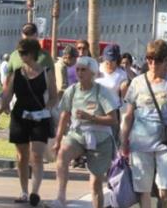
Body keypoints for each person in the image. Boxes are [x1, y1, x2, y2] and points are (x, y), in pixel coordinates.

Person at [120, 40, 167, 208]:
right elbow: (128, 115)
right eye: (149, 58)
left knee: (166, 189)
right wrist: (123, 141)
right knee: (143, 190)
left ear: (166, 60)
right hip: (140, 143)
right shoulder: (137, 83)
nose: (152, 63)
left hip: (166, 143)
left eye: (158, 60)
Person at [0, 38, 57, 206]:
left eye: (23, 53)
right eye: (19, 52)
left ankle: (35, 192)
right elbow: (6, 96)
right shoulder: (16, 74)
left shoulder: (46, 72)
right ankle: (24, 191)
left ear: (32, 53)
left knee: (37, 155)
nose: (20, 55)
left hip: (39, 117)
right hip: (20, 115)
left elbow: (54, 97)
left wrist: (46, 110)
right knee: (22, 156)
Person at [49, 56, 120, 208]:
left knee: (95, 184)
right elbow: (64, 116)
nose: (79, 73)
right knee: (63, 154)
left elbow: (113, 119)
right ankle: (61, 197)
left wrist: (91, 117)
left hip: (100, 139)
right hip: (78, 135)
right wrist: (58, 140)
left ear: (92, 73)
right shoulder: (72, 91)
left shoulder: (102, 92)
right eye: (78, 70)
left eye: (83, 70)